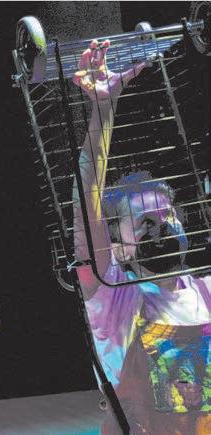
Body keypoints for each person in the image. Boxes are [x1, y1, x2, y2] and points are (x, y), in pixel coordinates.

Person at [72, 39, 211, 434]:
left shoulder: (206, 292)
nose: (162, 225)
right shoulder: (114, 298)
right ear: (119, 246)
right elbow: (85, 205)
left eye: (167, 216)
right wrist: (104, 108)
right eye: (145, 222)